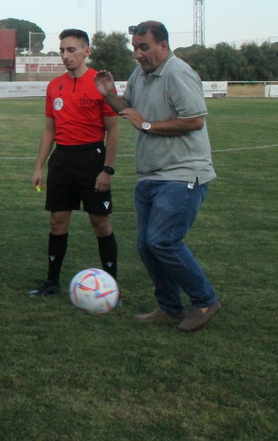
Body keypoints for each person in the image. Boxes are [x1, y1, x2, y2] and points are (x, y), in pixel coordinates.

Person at [94, 20, 221, 332]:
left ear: (163, 46)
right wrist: (110, 94)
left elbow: (194, 121)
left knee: (163, 241)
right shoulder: (141, 74)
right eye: (135, 48)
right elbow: (129, 110)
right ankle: (169, 305)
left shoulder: (178, 72)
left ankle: (205, 300)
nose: (138, 54)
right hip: (150, 176)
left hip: (182, 173)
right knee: (147, 247)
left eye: (144, 47)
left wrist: (147, 125)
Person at [29, 29, 119, 297]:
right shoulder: (54, 85)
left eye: (71, 50)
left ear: (86, 51)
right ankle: (52, 282)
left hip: (92, 159)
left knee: (100, 224)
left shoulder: (101, 84)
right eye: (62, 51)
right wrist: (38, 167)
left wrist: (107, 170)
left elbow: (113, 130)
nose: (65, 56)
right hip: (62, 159)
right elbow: (49, 129)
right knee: (57, 222)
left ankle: (112, 286)